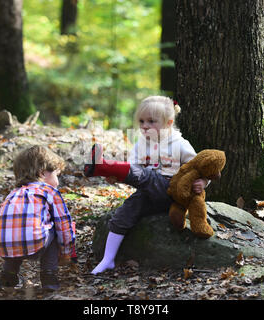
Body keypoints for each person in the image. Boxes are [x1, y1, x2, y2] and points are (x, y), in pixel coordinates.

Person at [84, 96, 210, 275]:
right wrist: (117, 177)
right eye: (141, 121)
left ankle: (102, 166)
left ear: (168, 123)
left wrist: (203, 182)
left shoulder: (180, 144)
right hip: (149, 193)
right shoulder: (141, 144)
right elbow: (133, 171)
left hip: (171, 193)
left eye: (151, 121)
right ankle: (108, 259)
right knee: (124, 213)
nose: (144, 126)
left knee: (148, 177)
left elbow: (202, 167)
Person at [0, 145, 76, 290]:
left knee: (17, 233)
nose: (58, 181)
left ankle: (8, 275)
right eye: (57, 175)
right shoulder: (49, 191)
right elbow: (64, 225)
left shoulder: (13, 194)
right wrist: (67, 253)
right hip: (36, 243)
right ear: (43, 173)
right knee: (55, 230)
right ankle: (49, 276)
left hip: (3, 245)